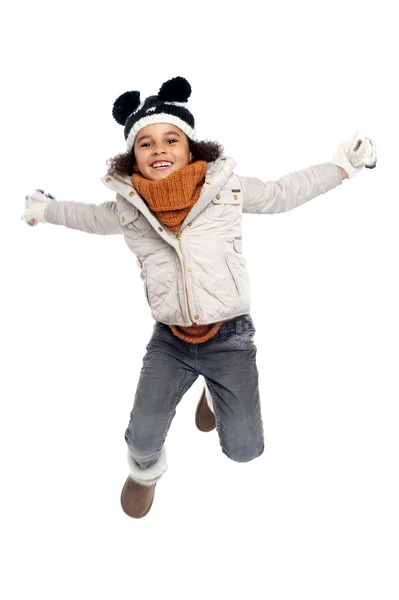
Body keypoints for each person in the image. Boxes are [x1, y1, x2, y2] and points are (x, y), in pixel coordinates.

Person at [22, 76, 377, 519]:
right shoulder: (130, 208)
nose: (160, 150)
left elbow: (285, 192)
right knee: (143, 436)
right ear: (133, 157)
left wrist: (341, 167)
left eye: (171, 139)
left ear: (191, 148)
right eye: (146, 144)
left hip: (229, 338)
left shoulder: (225, 189)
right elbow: (89, 217)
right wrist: (45, 209)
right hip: (170, 340)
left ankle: (214, 390)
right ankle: (144, 472)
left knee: (245, 451)